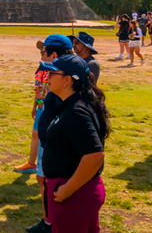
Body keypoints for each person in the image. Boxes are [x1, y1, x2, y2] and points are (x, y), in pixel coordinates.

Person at [39, 54, 110, 232]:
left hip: (75, 195)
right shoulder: (72, 104)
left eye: (52, 73)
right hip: (76, 192)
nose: (47, 77)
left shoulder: (76, 111)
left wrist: (67, 190)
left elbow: (95, 155)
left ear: (67, 80)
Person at [25, 34, 74, 233]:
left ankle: (50, 222)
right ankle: (49, 220)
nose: (41, 57)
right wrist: (38, 101)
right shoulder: (63, 76)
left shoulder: (63, 80)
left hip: (54, 142)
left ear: (54, 54)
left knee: (47, 179)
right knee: (44, 179)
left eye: (43, 53)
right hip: (52, 138)